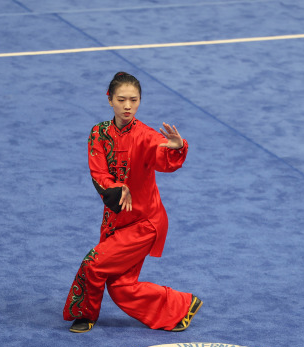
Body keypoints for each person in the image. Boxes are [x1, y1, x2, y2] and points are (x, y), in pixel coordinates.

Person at [63, 72, 202, 333]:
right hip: (115, 222)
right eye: (121, 99)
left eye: (134, 100)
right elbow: (98, 173)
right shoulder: (98, 133)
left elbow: (163, 157)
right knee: (121, 288)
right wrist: (117, 188)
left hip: (145, 223)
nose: (128, 106)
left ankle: (84, 315)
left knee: (94, 263)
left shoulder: (146, 135)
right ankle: (181, 306)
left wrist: (176, 147)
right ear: (109, 100)